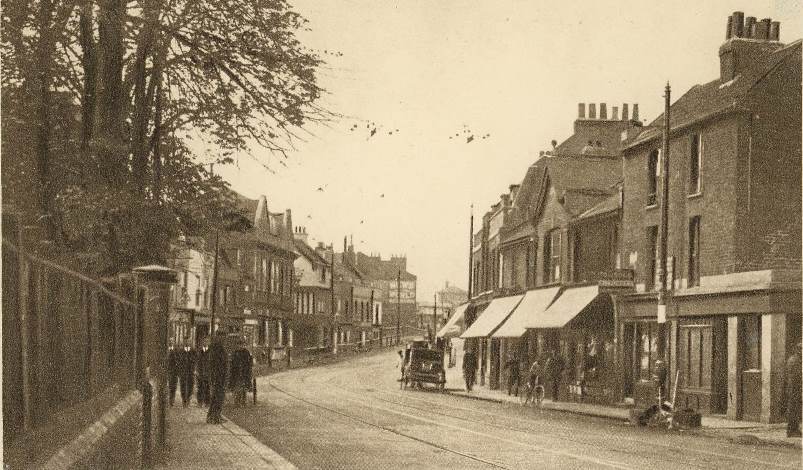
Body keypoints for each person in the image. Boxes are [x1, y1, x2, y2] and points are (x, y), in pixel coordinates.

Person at [207, 332, 228, 424]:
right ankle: (214, 417)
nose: (224, 339)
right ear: (218, 337)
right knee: (217, 397)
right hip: (218, 377)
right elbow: (213, 364)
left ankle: (215, 415)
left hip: (220, 376)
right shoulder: (216, 348)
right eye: (222, 337)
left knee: (218, 397)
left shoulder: (218, 347)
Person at [229, 337, 253, 407]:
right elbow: (232, 363)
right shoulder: (235, 353)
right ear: (237, 345)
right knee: (237, 388)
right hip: (236, 373)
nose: (241, 346)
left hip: (244, 373)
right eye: (239, 345)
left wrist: (248, 370)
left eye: (242, 344)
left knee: (244, 388)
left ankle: (244, 401)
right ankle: (237, 402)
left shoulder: (246, 352)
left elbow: (249, 362)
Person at [785, 343, 802, 438]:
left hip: (794, 388)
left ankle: (794, 429)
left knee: (796, 409)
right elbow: (796, 376)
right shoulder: (795, 360)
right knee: (793, 409)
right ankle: (792, 430)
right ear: (798, 350)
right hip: (794, 388)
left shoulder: (795, 360)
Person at [178, 339, 196, 407]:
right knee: (183, 385)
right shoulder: (181, 351)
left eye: (188, 341)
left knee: (190, 385)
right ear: (184, 342)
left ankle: (188, 398)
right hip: (183, 371)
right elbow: (178, 361)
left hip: (190, 371)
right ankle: (184, 400)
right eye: (186, 341)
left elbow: (195, 360)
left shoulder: (193, 351)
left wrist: (194, 369)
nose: (187, 343)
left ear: (190, 342)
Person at [196, 337, 211, 407]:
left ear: (209, 343)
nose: (205, 343)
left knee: (207, 388)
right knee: (200, 388)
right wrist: (197, 371)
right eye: (204, 341)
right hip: (201, 372)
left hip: (208, 373)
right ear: (202, 343)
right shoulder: (200, 352)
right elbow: (197, 362)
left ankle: (207, 403)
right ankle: (200, 402)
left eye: (207, 341)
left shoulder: (211, 352)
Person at [167, 340, 179, 406]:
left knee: (173, 386)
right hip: (168, 371)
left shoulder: (176, 351)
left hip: (174, 372)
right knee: (168, 385)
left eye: (172, 341)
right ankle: (168, 399)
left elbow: (179, 361)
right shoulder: (166, 350)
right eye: (170, 341)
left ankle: (172, 399)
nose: (171, 342)